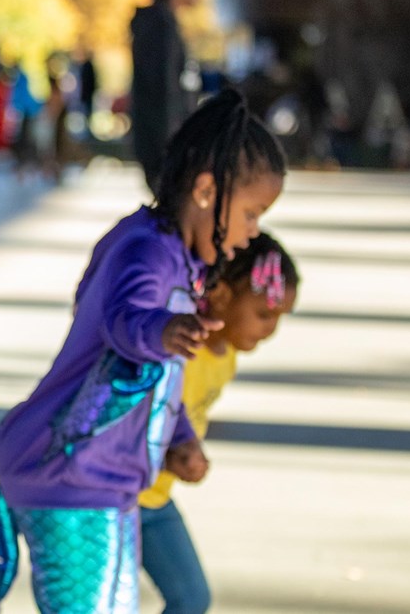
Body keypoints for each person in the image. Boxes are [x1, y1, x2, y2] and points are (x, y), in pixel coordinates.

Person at [0, 89, 286, 614]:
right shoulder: (146, 249)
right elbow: (126, 320)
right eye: (252, 213)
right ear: (208, 192)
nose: (252, 232)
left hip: (104, 484)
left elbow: (155, 379)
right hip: (69, 479)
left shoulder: (179, 260)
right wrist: (162, 330)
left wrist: (181, 438)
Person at [138, 232, 300, 614]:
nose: (270, 329)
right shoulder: (182, 347)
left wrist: (188, 448)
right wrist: (169, 455)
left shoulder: (224, 356)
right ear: (223, 295)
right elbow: (131, 422)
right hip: (117, 502)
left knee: (192, 598)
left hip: (156, 499)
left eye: (279, 318)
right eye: (264, 314)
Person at [131, 0, 201, 193]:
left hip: (166, 142)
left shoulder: (161, 23)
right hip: (166, 145)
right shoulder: (159, 26)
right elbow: (163, 89)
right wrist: (174, 144)